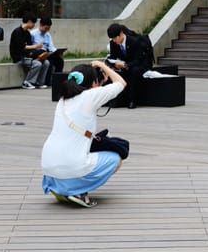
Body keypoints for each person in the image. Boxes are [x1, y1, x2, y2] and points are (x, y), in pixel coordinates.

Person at [41, 61, 127, 207]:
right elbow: (121, 83)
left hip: (48, 166)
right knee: (116, 159)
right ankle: (78, 191)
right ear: (94, 82)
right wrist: (103, 65)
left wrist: (99, 81)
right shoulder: (90, 96)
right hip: (70, 165)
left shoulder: (63, 100)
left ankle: (61, 187)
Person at [106, 23, 153, 109]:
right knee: (110, 70)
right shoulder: (113, 43)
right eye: (112, 39)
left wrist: (125, 65)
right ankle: (115, 99)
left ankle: (132, 100)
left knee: (134, 71)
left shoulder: (135, 41)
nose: (114, 41)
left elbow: (138, 60)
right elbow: (111, 58)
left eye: (115, 38)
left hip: (137, 65)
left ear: (121, 34)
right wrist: (113, 64)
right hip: (123, 65)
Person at [9, 12, 50, 89]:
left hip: (27, 56)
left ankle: (39, 82)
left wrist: (39, 51)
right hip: (19, 57)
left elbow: (30, 47)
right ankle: (27, 82)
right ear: (29, 21)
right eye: (33, 23)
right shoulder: (17, 32)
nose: (34, 25)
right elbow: (22, 47)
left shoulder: (27, 33)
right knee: (37, 64)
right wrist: (36, 46)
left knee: (46, 62)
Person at [31, 17, 64, 86]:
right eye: (46, 28)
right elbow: (31, 47)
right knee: (50, 61)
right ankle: (47, 82)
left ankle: (58, 81)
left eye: (48, 29)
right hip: (39, 54)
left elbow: (51, 46)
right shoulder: (33, 34)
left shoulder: (47, 34)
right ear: (40, 25)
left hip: (48, 53)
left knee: (60, 61)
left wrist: (57, 52)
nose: (46, 30)